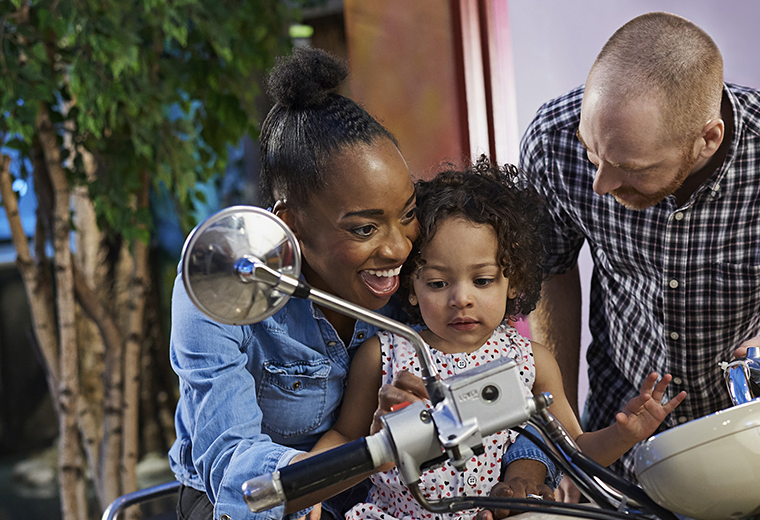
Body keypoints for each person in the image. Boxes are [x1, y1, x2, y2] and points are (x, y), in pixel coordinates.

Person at [167, 49, 552, 520]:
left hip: (384, 497)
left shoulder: (423, 273)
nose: (398, 249)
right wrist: (375, 449)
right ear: (293, 224)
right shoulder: (222, 278)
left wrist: (523, 471)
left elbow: (503, 399)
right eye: (364, 229)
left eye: (407, 214)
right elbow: (237, 477)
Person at [518, 12, 760, 477]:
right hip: (619, 425)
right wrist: (568, 442)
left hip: (755, 442)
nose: (601, 183)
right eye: (593, 152)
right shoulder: (554, 141)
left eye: (633, 168)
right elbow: (552, 271)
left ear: (707, 139)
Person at [305, 160, 684, 520]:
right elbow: (344, 436)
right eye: (438, 283)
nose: (461, 298)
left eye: (482, 280)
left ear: (513, 280)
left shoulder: (530, 361)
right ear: (411, 287)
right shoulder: (383, 354)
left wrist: (624, 434)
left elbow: (573, 452)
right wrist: (307, 488)